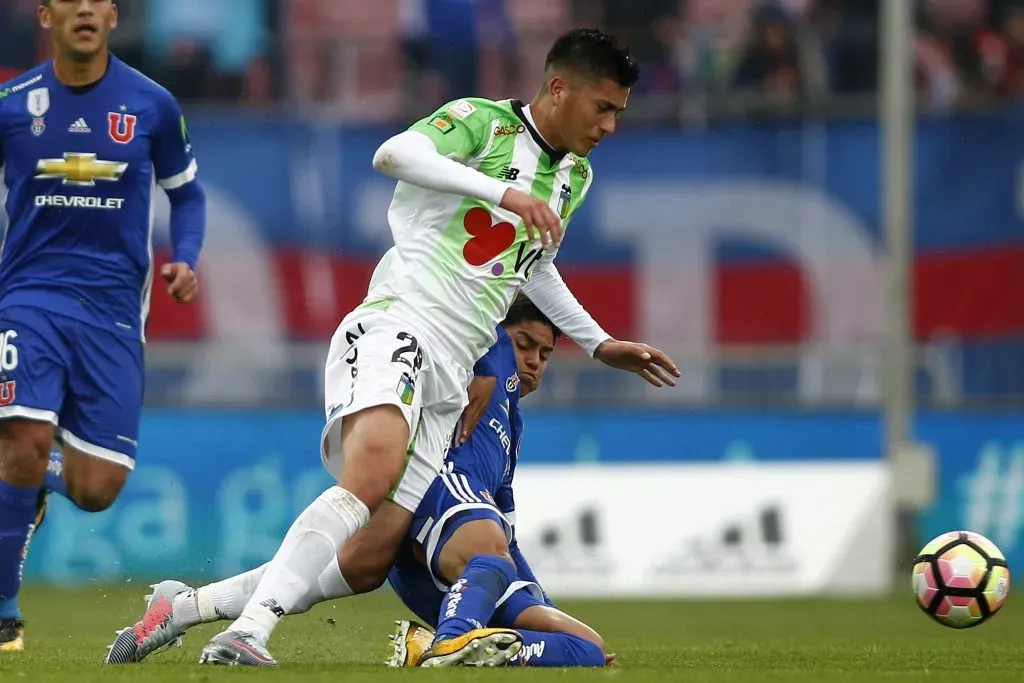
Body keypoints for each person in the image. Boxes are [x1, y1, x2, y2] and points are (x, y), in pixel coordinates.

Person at [115, 27, 677, 667]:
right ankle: (248, 632)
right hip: (400, 324)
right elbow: (393, 154)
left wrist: (599, 343)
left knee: (366, 558)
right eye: (604, 108)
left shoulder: (574, 176)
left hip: (452, 366)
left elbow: (533, 261)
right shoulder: (482, 125)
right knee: (372, 472)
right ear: (558, 88)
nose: (610, 125)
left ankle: (180, 608)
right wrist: (504, 191)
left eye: (618, 113)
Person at [106, 295, 610, 669]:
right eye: (525, 345)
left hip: (449, 522)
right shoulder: (484, 340)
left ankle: (183, 608)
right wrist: (567, 344)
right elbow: (477, 315)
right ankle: (450, 642)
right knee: (482, 551)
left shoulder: (511, 420)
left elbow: (505, 509)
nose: (533, 361)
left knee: (586, 645)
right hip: (435, 486)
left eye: (545, 354)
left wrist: (528, 591)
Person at [0, 0, 204, 652]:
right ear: (46, 13)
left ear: (114, 15)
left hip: (114, 312)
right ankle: (5, 610)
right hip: (29, 297)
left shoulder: (152, 105)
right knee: (22, 436)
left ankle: (32, 481)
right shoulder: (12, 104)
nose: (84, 7)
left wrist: (188, 258)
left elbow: (188, 193)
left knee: (96, 488)